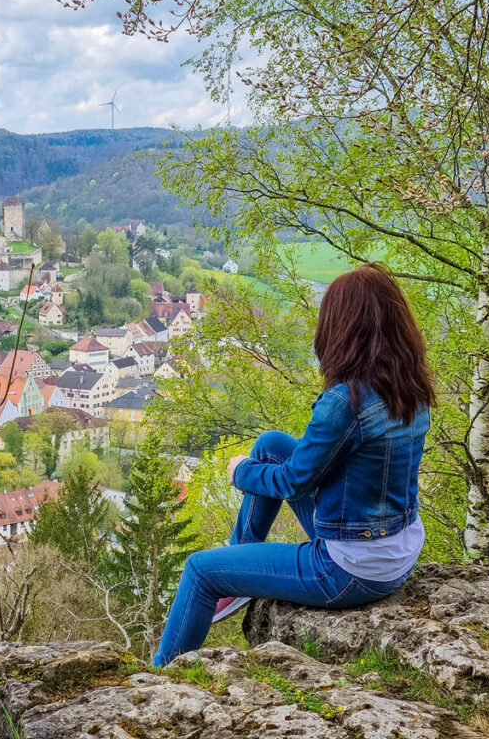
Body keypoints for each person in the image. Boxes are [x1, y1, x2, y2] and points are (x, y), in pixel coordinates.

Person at [153, 262, 435, 667]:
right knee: (270, 444)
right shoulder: (412, 387)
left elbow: (294, 482)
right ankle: (242, 557)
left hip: (349, 569)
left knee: (199, 571)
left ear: (341, 329)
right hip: (398, 552)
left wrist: (239, 472)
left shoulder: (346, 401)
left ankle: (162, 677)